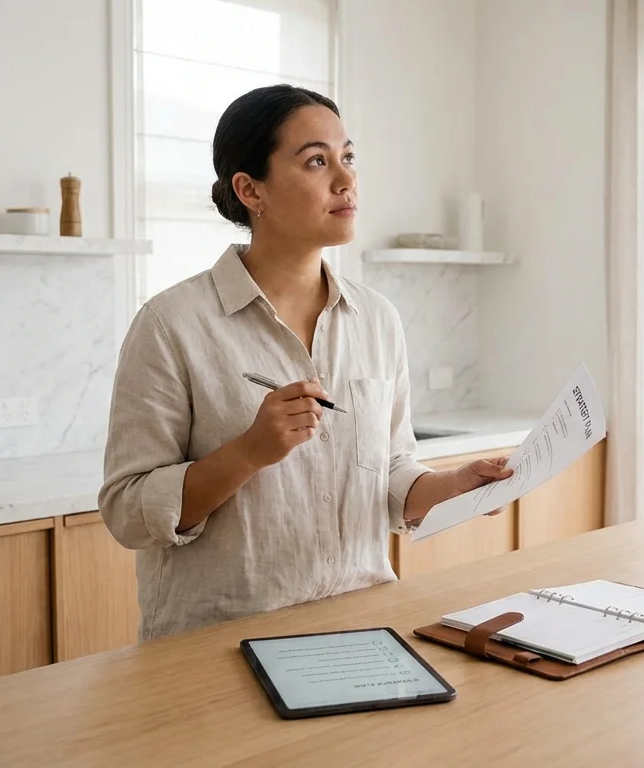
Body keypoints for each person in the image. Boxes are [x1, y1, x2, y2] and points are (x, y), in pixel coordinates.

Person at [98, 84, 512, 642]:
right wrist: (249, 452)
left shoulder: (378, 319)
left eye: (347, 157)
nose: (346, 180)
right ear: (251, 190)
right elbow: (127, 511)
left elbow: (389, 475)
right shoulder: (171, 325)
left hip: (362, 630)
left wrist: (452, 485)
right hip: (220, 646)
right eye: (316, 161)